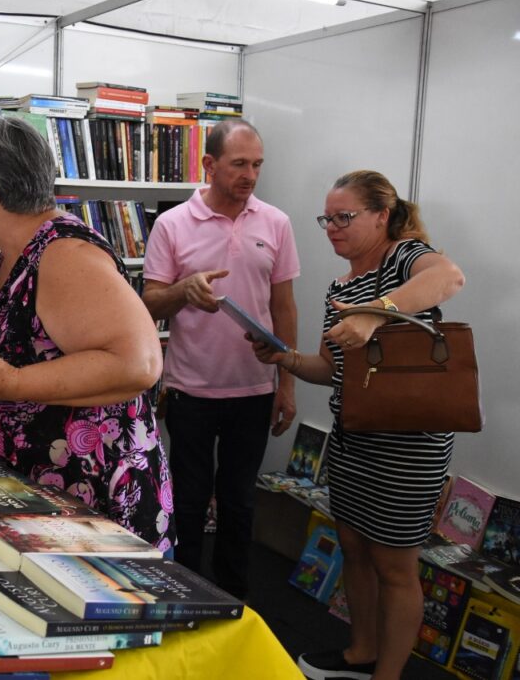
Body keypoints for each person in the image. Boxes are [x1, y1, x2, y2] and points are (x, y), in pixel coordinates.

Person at [252, 170, 464, 680]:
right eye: (327, 218)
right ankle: (361, 651)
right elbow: (330, 368)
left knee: (396, 568)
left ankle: (388, 674)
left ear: (382, 216)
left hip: (407, 448)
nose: (332, 228)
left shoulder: (404, 259)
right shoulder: (340, 287)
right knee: (353, 548)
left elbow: (450, 277)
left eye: (344, 217)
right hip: (355, 440)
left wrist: (377, 313)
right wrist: (285, 359)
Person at [0, 117, 172, 550]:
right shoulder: (18, 251)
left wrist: (9, 384)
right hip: (48, 500)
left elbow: (137, 364)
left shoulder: (64, 254)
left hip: (90, 507)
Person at [140, 118, 299, 598]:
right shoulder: (172, 224)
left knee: (238, 502)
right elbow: (148, 303)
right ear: (209, 165)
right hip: (191, 389)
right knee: (187, 502)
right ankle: (184, 594)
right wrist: (183, 292)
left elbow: (284, 306)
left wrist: (287, 384)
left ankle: (234, 601)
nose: (250, 175)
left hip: (254, 389)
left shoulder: (276, 222)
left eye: (256, 165)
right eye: (239, 164)